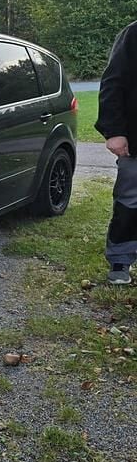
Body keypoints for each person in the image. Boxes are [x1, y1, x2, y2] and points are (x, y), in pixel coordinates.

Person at [95, 21, 137, 284]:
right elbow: (112, 82)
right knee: (130, 199)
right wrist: (114, 131)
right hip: (135, 139)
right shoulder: (134, 35)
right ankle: (121, 260)